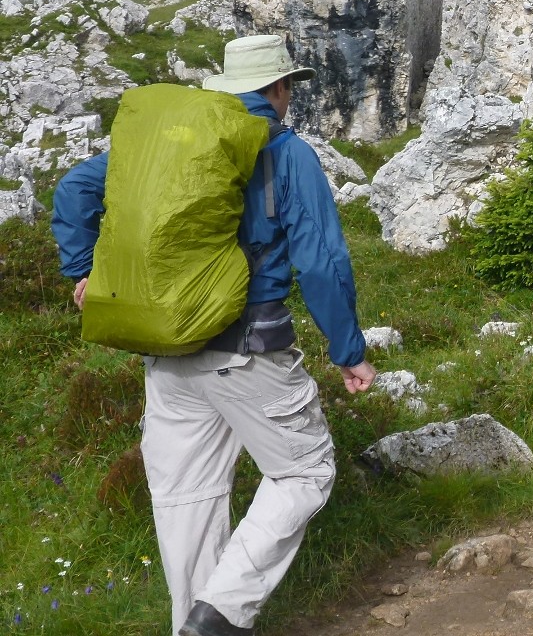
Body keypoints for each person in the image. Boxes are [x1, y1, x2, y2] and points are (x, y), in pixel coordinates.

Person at [51, 34, 376, 636]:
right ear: (277, 89)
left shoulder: (172, 143)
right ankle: (221, 612)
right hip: (246, 349)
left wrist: (82, 270)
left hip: (167, 352)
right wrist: (349, 352)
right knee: (304, 473)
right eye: (287, 89)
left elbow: (73, 191)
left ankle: (193, 626)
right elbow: (322, 262)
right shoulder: (284, 150)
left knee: (187, 500)